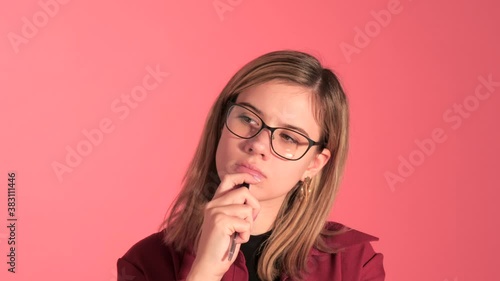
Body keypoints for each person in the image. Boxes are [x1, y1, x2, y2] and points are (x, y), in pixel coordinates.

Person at [116, 50, 385, 281]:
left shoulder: (354, 264)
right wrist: (204, 271)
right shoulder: (145, 263)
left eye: (289, 137)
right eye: (247, 119)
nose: (258, 145)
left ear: (314, 164)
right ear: (222, 122)